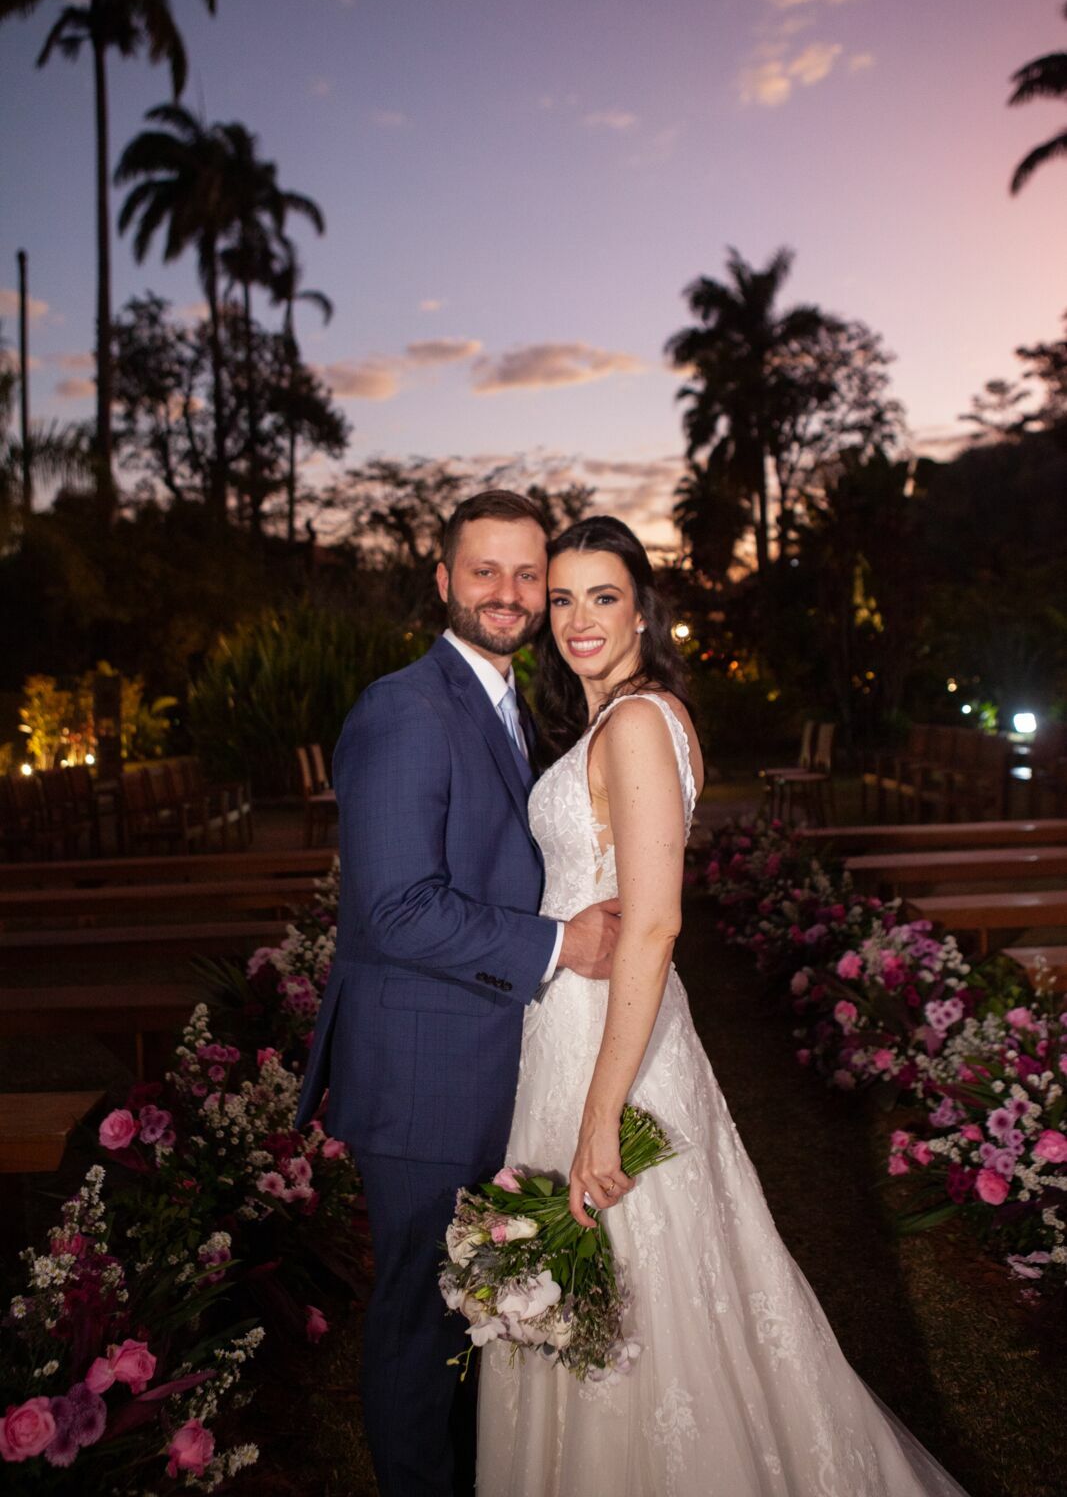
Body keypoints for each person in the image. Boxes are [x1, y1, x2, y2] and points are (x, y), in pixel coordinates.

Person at [477, 514, 970, 1497]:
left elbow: (655, 925)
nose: (577, 618)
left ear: (641, 607)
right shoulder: (621, 719)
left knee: (639, 1292)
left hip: (604, 1044)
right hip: (575, 1027)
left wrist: (602, 1113)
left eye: (602, 596)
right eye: (562, 597)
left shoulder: (632, 724)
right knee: (626, 1287)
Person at [294, 490, 621, 1497]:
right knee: (417, 1318)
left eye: (529, 574)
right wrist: (556, 942)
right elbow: (392, 909)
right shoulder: (404, 706)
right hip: (423, 1075)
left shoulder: (514, 702)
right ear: (441, 580)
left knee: (472, 1310)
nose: (509, 593)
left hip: (488, 1063)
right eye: (484, 570)